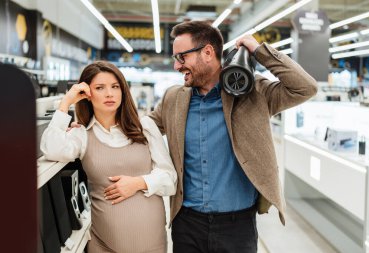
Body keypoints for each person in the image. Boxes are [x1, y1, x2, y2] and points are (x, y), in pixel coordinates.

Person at [148, 21, 318, 253]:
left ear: (207, 53)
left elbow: (305, 88)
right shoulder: (173, 99)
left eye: (181, 57)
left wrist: (260, 52)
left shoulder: (254, 92)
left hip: (237, 227)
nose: (177, 66)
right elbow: (141, 129)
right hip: (187, 224)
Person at [40, 61, 177, 253]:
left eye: (115, 87)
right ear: (87, 94)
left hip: (151, 242)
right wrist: (66, 102)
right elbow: (50, 148)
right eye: (100, 88)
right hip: (104, 243)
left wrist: (138, 183)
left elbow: (170, 178)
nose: (109, 93)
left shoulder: (144, 127)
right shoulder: (82, 134)